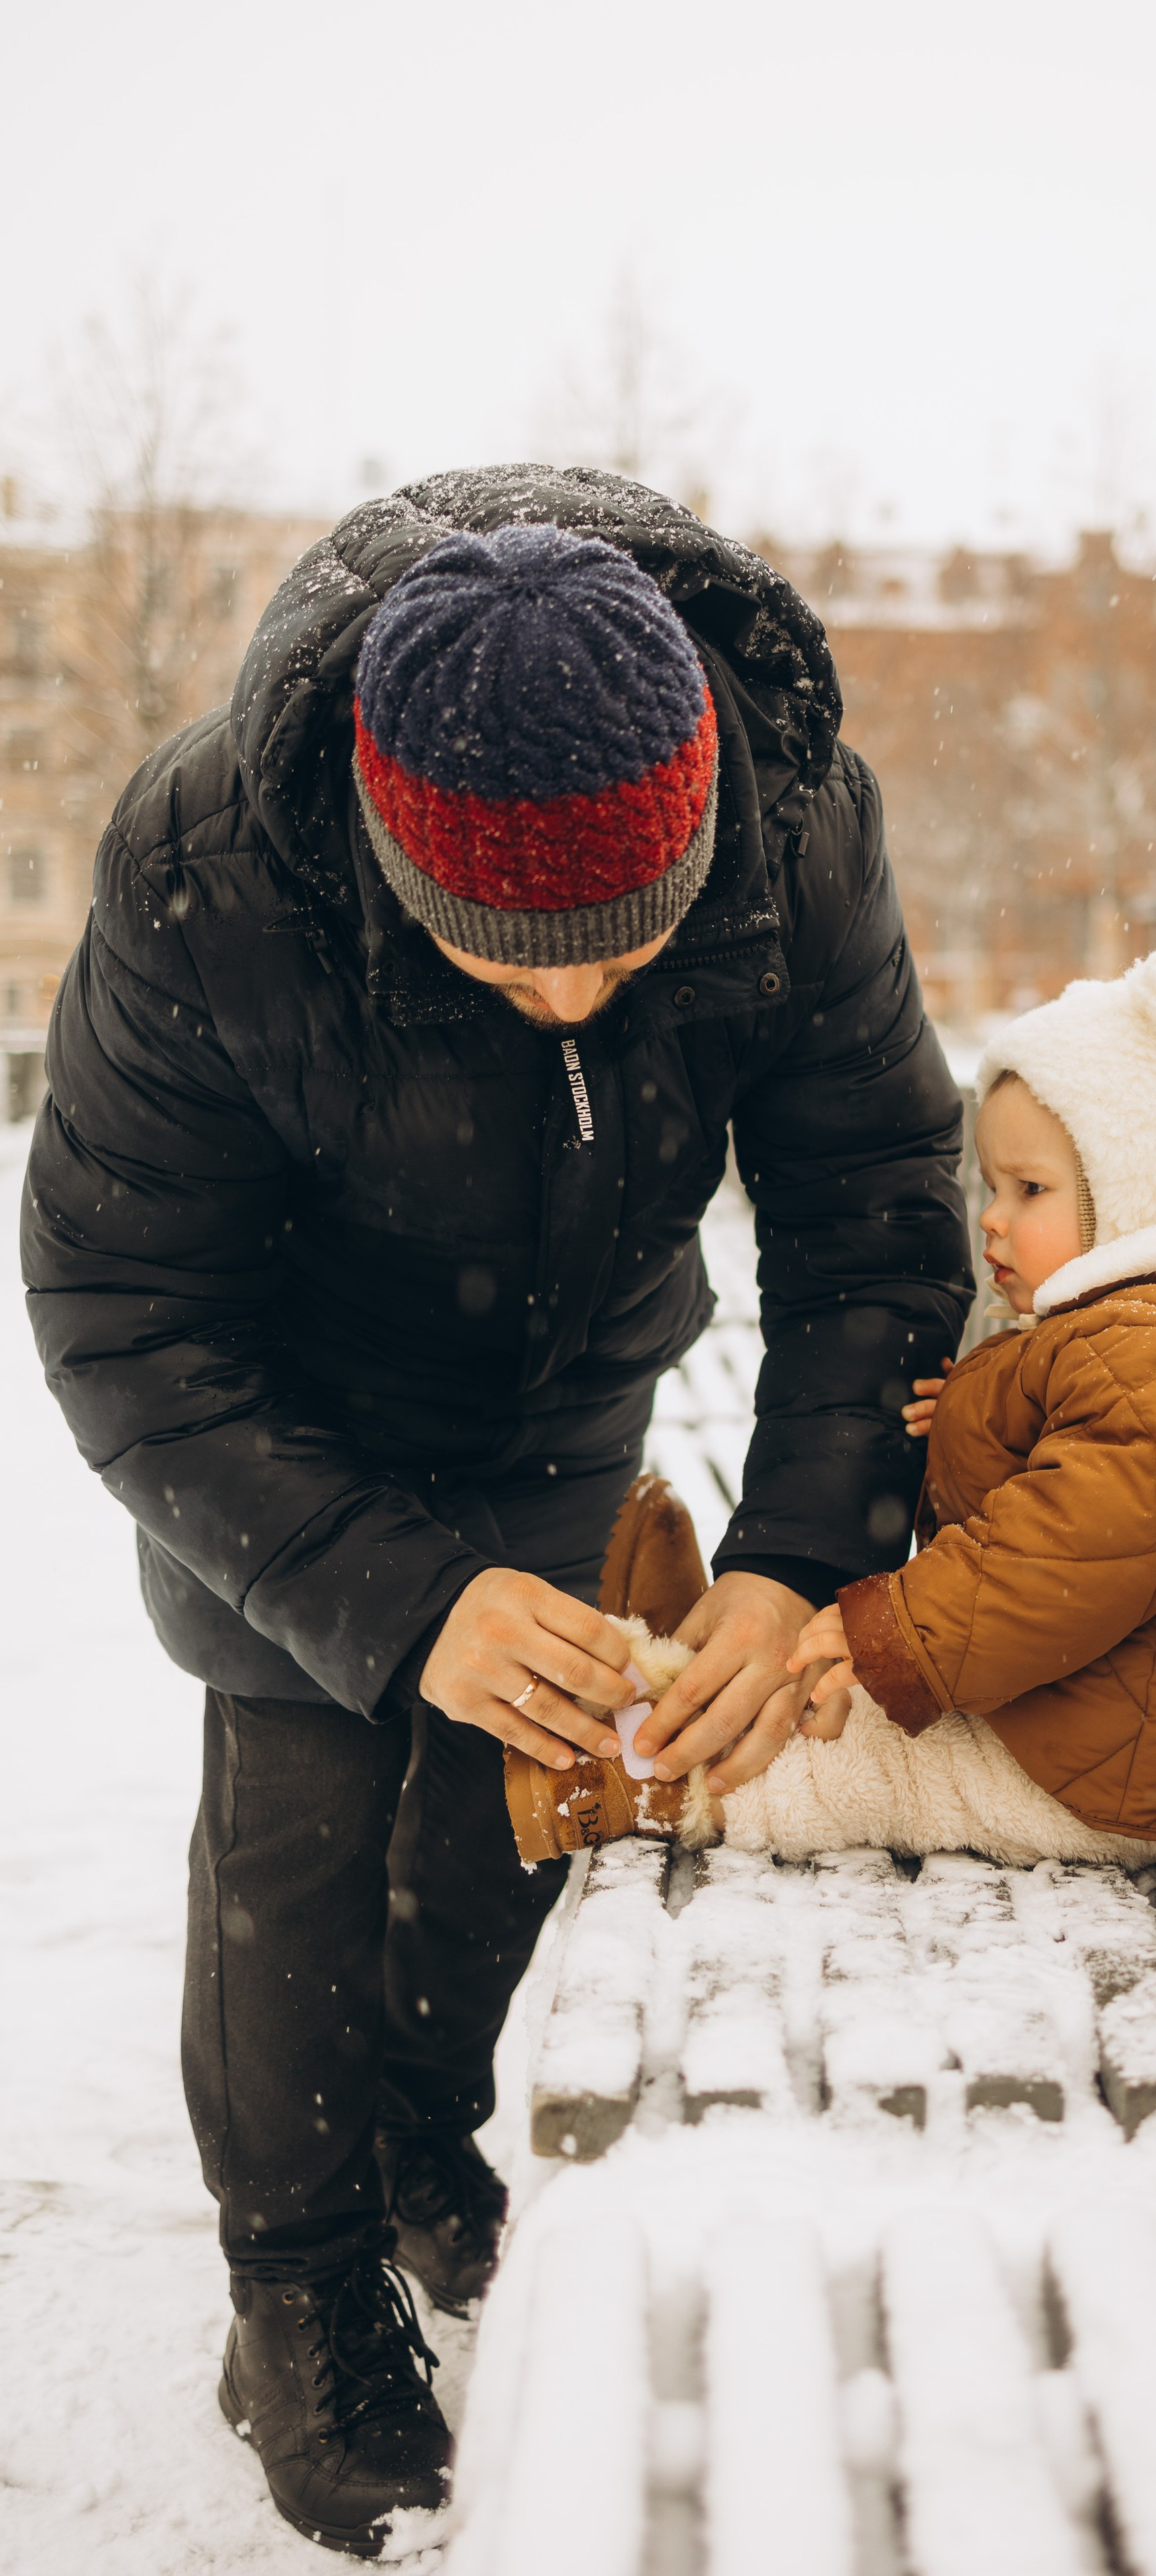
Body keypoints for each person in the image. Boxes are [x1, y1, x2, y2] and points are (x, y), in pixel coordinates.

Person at [21, 469, 969, 2555]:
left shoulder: (799, 832)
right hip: (282, 1411)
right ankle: (295, 2296)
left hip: (561, 1371)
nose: (569, 1004)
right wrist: (394, 1596)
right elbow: (121, 1303)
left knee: (511, 1799)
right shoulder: (209, 870)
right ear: (387, 846)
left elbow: (877, 1211)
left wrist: (797, 1562)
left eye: (621, 951)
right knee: (303, 1816)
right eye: (502, 957)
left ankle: (423, 2147)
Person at [647, 950, 1156, 1862]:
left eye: (1029, 1190)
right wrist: (972, 1417)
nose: (992, 1218)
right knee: (848, 1698)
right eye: (992, 1186)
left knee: (869, 1764)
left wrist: (902, 1629)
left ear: (1142, 1195)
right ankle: (676, 1681)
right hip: (1137, 1717)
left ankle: (648, 1779)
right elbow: (1103, 1515)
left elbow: (1070, 1548)